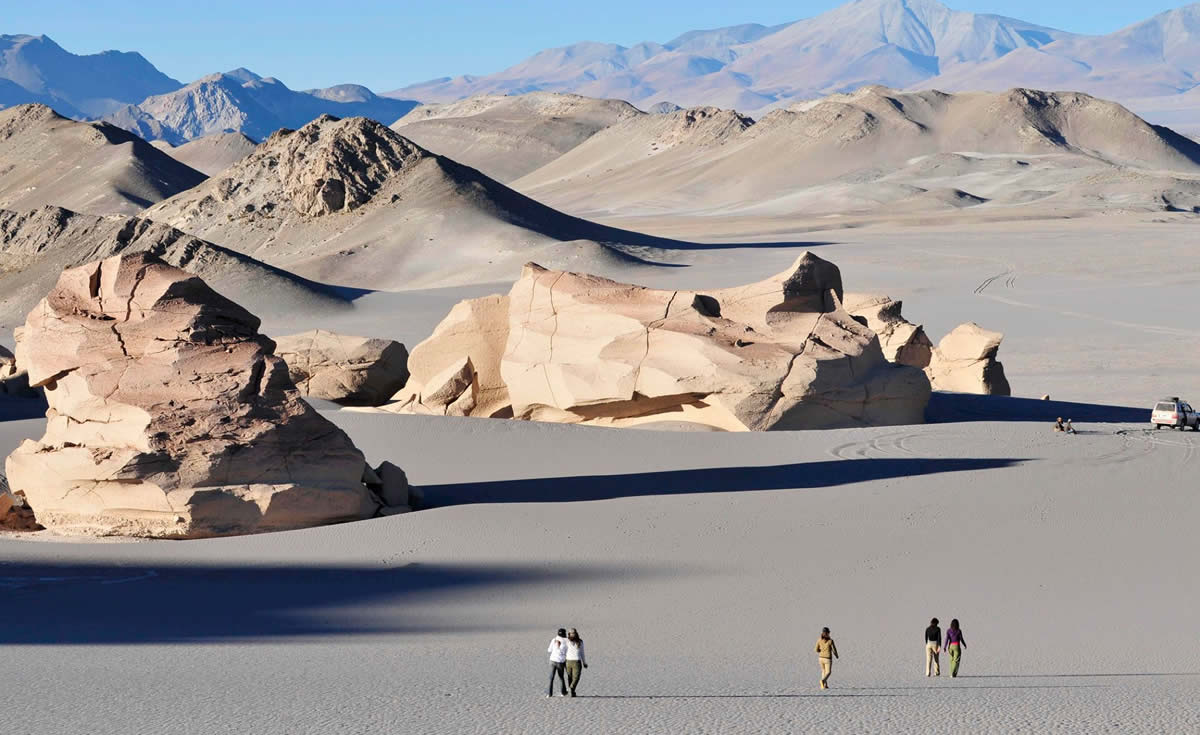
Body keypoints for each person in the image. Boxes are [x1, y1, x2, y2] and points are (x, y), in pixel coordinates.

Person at [564, 628, 588, 696]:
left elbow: (582, 652)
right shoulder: (568, 641)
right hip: (571, 661)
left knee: (573, 677)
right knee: (573, 677)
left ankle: (571, 689)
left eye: (572, 633)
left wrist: (584, 662)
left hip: (572, 661)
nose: (572, 635)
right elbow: (582, 653)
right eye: (571, 633)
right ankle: (572, 690)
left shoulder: (578, 641)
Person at [547, 628, 569, 697]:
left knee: (551, 678)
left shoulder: (554, 640)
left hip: (552, 660)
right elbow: (567, 652)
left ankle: (549, 694)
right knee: (561, 677)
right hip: (560, 661)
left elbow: (549, 650)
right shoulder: (567, 642)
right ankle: (563, 692)